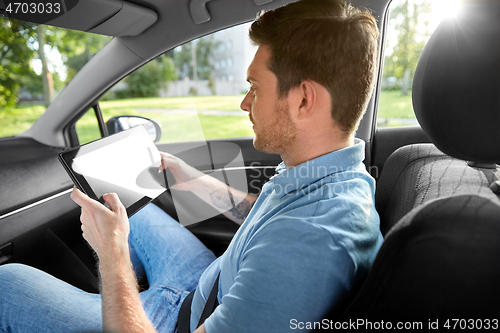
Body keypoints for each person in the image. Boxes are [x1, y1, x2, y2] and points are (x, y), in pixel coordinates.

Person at [0, 0, 383, 332]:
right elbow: (265, 217)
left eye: (255, 87)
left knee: (6, 283)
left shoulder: (308, 245)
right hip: (204, 283)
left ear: (303, 100)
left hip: (176, 323)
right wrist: (192, 180)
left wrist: (113, 255)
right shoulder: (331, 176)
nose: (245, 104)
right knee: (127, 203)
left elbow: (287, 240)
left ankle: (121, 302)